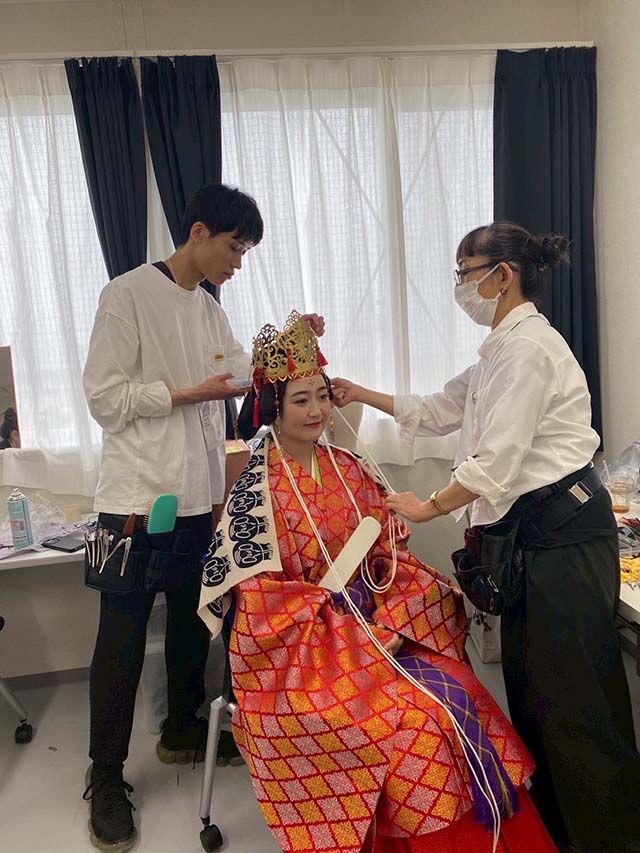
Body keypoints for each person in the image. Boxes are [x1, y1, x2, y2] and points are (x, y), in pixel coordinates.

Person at [333, 221, 640, 853]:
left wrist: (428, 507)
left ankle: (611, 836)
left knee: (575, 699)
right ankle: (561, 831)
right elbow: (439, 409)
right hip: (534, 538)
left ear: (503, 276)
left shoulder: (529, 350)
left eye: (464, 273)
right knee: (535, 694)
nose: (459, 287)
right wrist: (358, 393)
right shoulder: (498, 351)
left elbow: (496, 462)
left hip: (565, 538)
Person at [198, 312, 556, 853]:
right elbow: (260, 602)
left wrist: (388, 616)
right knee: (414, 728)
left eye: (323, 397)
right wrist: (348, 636)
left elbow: (391, 552)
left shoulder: (350, 467)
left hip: (383, 625)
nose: (317, 411)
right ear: (273, 408)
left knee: (460, 694)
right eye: (300, 400)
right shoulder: (254, 493)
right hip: (307, 654)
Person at [82, 183, 324, 853]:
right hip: (135, 502)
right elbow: (104, 399)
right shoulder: (126, 295)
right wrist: (189, 393)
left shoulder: (209, 310)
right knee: (122, 639)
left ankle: (183, 728)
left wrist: (290, 344)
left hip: (195, 496)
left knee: (196, 618)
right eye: (234, 249)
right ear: (198, 233)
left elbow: (241, 371)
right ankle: (105, 776)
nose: (237, 264)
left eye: (244, 253)